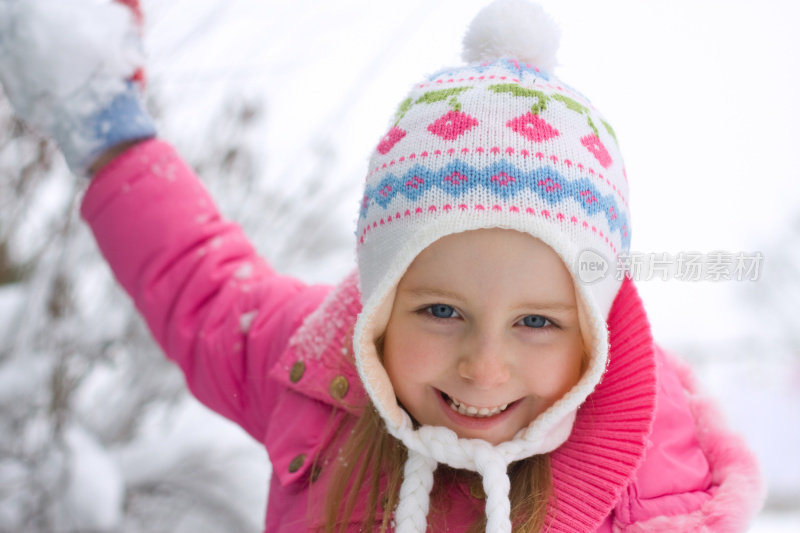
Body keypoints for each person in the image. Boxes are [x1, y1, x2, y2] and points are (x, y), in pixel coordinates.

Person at [0, 0, 766, 531]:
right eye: (441, 310)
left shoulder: (659, 488)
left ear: (593, 328)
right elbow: (199, 282)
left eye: (537, 321)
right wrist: (112, 133)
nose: (485, 366)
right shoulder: (314, 375)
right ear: (383, 299)